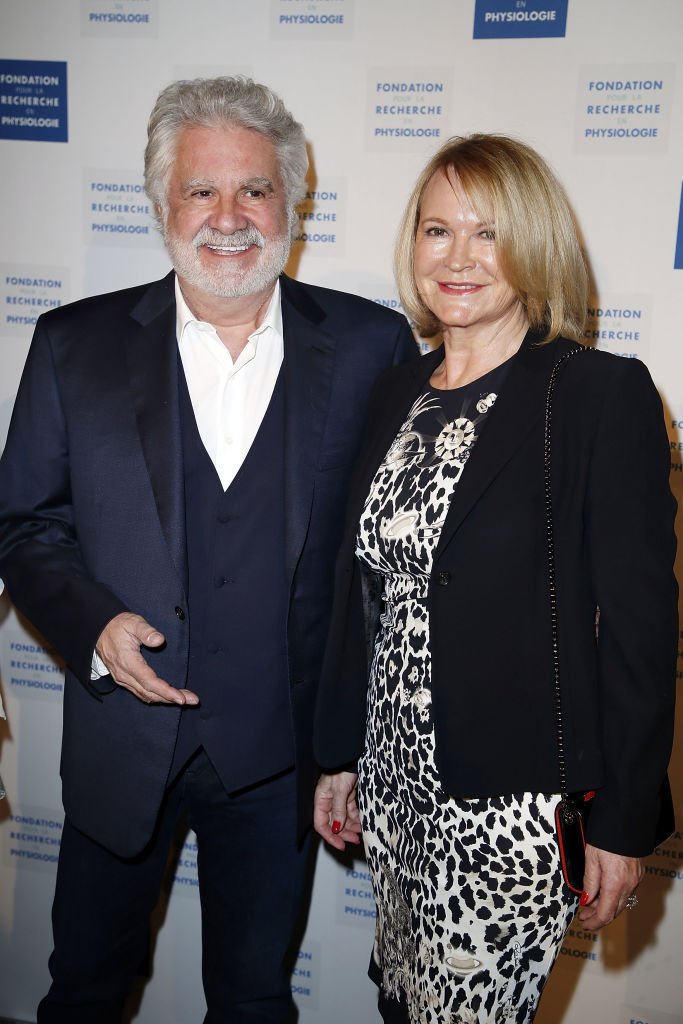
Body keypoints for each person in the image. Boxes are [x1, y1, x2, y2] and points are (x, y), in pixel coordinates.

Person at [0, 76, 416, 1023]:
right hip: (120, 746)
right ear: (161, 204)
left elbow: (388, 563)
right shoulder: (74, 344)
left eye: (255, 190)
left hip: (281, 758)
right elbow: (25, 524)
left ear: (291, 202)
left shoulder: (370, 346)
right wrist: (94, 621)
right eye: (201, 190)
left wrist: (354, 741)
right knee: (86, 992)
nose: (229, 218)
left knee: (255, 997)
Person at [313, 134, 677, 1023]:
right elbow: (361, 596)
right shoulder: (395, 392)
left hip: (508, 808)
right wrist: (338, 755)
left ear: (535, 246)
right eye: (437, 231)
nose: (459, 258)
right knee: (401, 1005)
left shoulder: (596, 393)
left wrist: (622, 823)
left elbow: (639, 626)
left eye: (488, 233)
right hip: (396, 786)